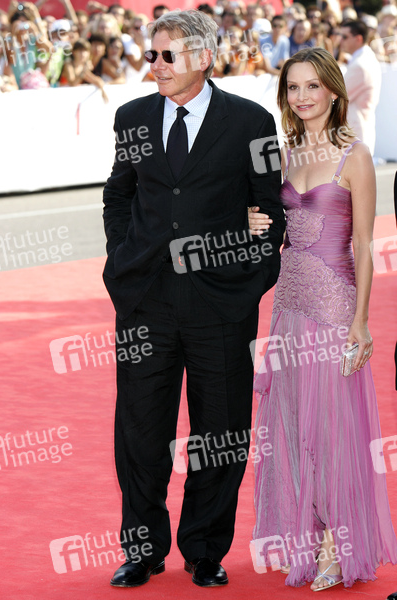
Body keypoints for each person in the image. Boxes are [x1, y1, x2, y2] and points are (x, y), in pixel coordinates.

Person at [102, 8, 285, 589]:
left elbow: (271, 211)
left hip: (222, 304)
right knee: (139, 433)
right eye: (151, 54)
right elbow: (118, 196)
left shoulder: (252, 121)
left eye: (167, 55)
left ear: (204, 57)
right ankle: (143, 550)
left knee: (222, 433)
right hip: (145, 300)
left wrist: (250, 280)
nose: (155, 65)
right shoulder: (132, 117)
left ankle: (205, 549)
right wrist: (122, 259)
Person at [249, 47, 397, 590]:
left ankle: (341, 543)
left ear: (334, 91)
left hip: (335, 310)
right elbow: (275, 229)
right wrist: (254, 219)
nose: (302, 96)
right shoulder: (283, 156)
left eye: (313, 86)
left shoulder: (354, 155)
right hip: (288, 308)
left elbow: (364, 245)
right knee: (294, 426)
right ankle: (309, 536)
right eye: (293, 87)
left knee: (335, 429)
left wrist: (361, 320)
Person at [340, 19, 382, 156]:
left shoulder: (360, 65)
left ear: (358, 39)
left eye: (345, 37)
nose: (340, 40)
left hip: (355, 134)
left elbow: (339, 96)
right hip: (359, 131)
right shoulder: (366, 58)